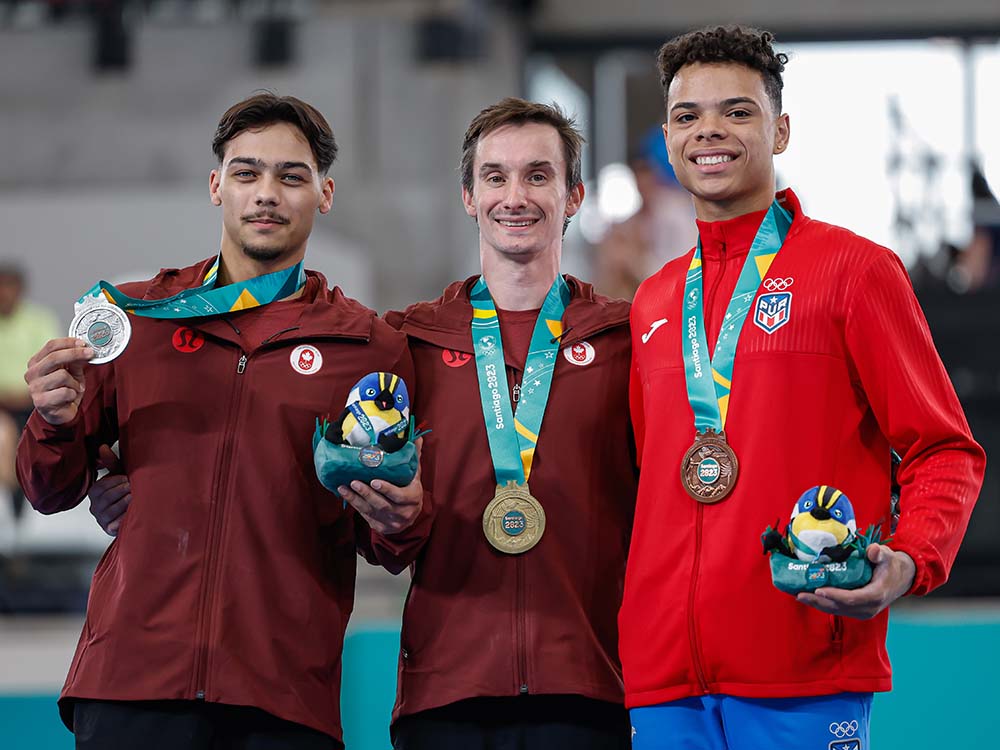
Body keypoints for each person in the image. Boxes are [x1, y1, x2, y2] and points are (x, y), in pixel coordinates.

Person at [16, 93, 424, 750]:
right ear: (216, 186)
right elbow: (48, 487)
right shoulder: (137, 319)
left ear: (324, 193)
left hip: (280, 697)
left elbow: (389, 543)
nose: (266, 193)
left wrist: (400, 517)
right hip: (132, 686)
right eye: (246, 173)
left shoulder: (368, 347)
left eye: (291, 176)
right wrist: (56, 419)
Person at [622, 26, 986, 749]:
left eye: (737, 111)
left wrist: (910, 559)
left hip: (804, 665)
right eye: (688, 116)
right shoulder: (654, 302)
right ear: (667, 138)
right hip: (663, 680)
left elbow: (944, 449)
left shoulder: (855, 272)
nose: (710, 132)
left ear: (780, 129)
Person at [348, 97, 637, 749]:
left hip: (590, 688)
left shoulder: (625, 341)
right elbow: (378, 535)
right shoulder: (409, 342)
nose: (517, 195)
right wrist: (393, 521)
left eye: (539, 175)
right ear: (469, 197)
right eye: (496, 177)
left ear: (574, 196)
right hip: (446, 694)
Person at [594, 127, 696, 300]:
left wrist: (631, 260)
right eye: (638, 174)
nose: (642, 182)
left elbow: (682, 277)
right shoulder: (635, 218)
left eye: (646, 173)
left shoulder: (676, 214)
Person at [0, 264, 59, 513]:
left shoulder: (39, 321)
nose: (4, 293)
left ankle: (23, 508)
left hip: (35, 406)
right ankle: (13, 510)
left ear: (20, 289)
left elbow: (54, 367)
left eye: (9, 286)